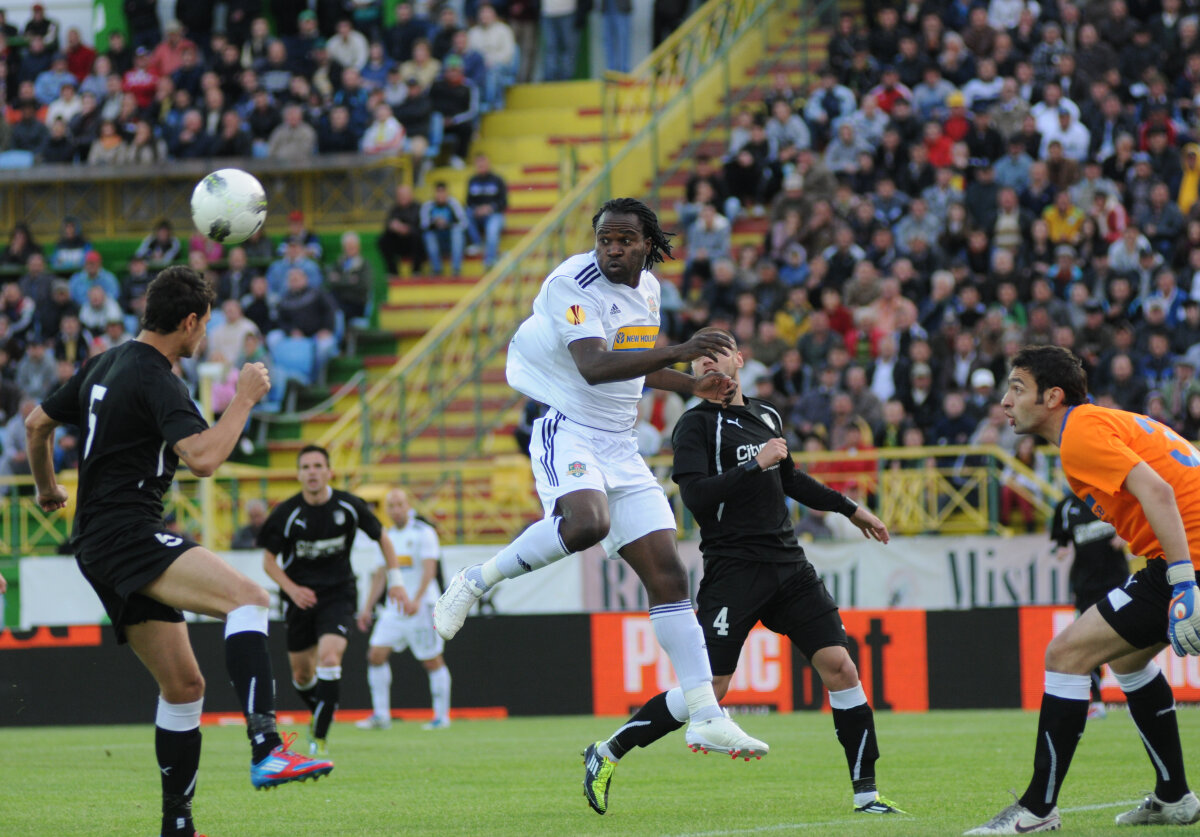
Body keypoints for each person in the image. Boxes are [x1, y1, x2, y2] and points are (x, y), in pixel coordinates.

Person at [434, 197, 768, 759]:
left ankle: (706, 715)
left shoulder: (649, 290)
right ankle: (475, 580)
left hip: (620, 440)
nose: (612, 249)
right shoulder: (572, 282)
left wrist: (690, 385)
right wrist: (686, 351)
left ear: (647, 244)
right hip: (566, 422)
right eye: (604, 239)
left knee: (668, 573)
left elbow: (632, 361)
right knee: (587, 522)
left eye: (624, 241)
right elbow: (593, 366)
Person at [23, 266, 332, 837]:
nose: (203, 336)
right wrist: (242, 399)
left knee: (184, 687)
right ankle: (266, 745)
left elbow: (38, 424)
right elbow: (204, 457)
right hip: (126, 534)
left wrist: (46, 490)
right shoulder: (158, 378)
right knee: (249, 597)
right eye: (204, 325)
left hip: (96, 541)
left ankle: (178, 825)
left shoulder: (104, 361)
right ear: (189, 323)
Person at [580, 326, 901, 817]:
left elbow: (790, 478)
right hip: (734, 570)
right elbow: (697, 498)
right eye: (699, 358)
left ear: (739, 360)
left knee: (841, 667)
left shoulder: (766, 414)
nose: (708, 363)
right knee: (712, 690)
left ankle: (867, 795)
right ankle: (606, 753)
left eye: (718, 353)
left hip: (790, 566)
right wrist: (755, 465)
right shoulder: (692, 426)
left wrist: (850, 508)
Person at [968, 345, 1200, 834]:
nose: (1005, 402)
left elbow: (1157, 491)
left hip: (1189, 557)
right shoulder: (1095, 423)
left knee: (1066, 654)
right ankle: (1174, 796)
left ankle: (1036, 809)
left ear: (1052, 397)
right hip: (1181, 554)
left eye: (1016, 389)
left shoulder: (1080, 437)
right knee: (1128, 659)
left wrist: (1184, 580)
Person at [258, 445, 411, 756]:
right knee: (302, 675)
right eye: (306, 467)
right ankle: (324, 707)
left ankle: (320, 736)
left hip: (339, 594)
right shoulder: (287, 513)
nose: (312, 472)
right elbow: (268, 561)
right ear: (299, 474)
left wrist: (396, 582)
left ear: (329, 472)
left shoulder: (348, 506)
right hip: (300, 599)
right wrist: (292, 590)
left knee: (329, 658)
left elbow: (382, 537)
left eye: (318, 466)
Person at [354, 488, 451, 731]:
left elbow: (429, 570)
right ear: (386, 510)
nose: (396, 509)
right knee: (375, 654)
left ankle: (441, 717)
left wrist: (416, 600)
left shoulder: (423, 533)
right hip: (394, 609)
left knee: (432, 660)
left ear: (408, 505)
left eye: (400, 504)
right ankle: (381, 716)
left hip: (422, 606)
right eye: (391, 506)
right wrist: (366, 608)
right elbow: (380, 574)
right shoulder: (384, 537)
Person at [1049, 492, 1131, 721]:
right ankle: (1096, 702)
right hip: (1086, 587)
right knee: (1087, 645)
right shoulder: (1065, 507)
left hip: (1118, 582)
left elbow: (1135, 520)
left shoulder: (1110, 497)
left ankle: (1140, 696)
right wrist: (1060, 550)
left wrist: (1127, 535)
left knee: (1132, 640)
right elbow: (1060, 541)